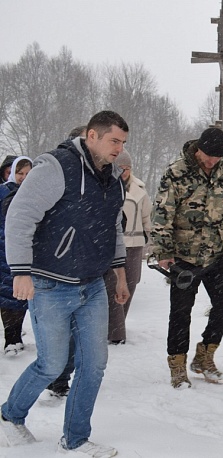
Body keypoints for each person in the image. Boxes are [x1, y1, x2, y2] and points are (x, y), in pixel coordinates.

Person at [0, 110, 130, 457]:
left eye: (123, 142)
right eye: (114, 140)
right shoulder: (57, 167)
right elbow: (20, 217)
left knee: (94, 364)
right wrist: (21, 271)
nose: (119, 148)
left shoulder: (113, 179)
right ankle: (9, 415)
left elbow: (113, 228)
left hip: (92, 285)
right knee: (52, 363)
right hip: (50, 284)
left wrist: (119, 274)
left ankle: (76, 437)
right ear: (92, 135)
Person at [150, 127, 223, 388]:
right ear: (198, 148)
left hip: (215, 254)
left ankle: (204, 356)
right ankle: (178, 366)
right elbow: (162, 213)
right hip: (183, 257)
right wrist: (163, 251)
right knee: (181, 313)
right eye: (208, 156)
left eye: (218, 157)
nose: (212, 161)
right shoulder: (177, 172)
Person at [44, 126, 87, 400]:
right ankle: (54, 375)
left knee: (79, 332)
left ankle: (65, 378)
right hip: (56, 269)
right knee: (60, 334)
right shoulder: (54, 168)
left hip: (90, 270)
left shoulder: (103, 177)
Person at [103, 149, 152, 345]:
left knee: (131, 284)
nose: (124, 172)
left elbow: (147, 216)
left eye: (128, 168)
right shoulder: (106, 185)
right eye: (121, 167)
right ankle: (115, 333)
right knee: (113, 286)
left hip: (135, 244)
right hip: (114, 244)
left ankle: (118, 324)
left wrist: (150, 238)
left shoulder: (139, 188)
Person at [0, 156, 33, 356]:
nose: (23, 177)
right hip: (4, 250)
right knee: (6, 295)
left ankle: (17, 335)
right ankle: (10, 338)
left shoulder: (34, 194)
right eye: (20, 173)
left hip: (26, 251)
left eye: (28, 174)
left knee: (21, 296)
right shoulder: (3, 191)